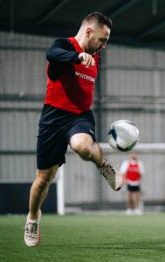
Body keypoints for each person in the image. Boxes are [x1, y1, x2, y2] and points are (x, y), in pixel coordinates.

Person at [24, 12, 123, 247]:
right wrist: (77, 57)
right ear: (89, 32)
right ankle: (33, 217)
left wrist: (87, 55)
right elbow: (52, 54)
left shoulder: (96, 57)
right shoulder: (64, 46)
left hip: (80, 116)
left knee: (82, 146)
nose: (104, 45)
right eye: (103, 39)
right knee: (42, 180)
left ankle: (105, 168)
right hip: (53, 118)